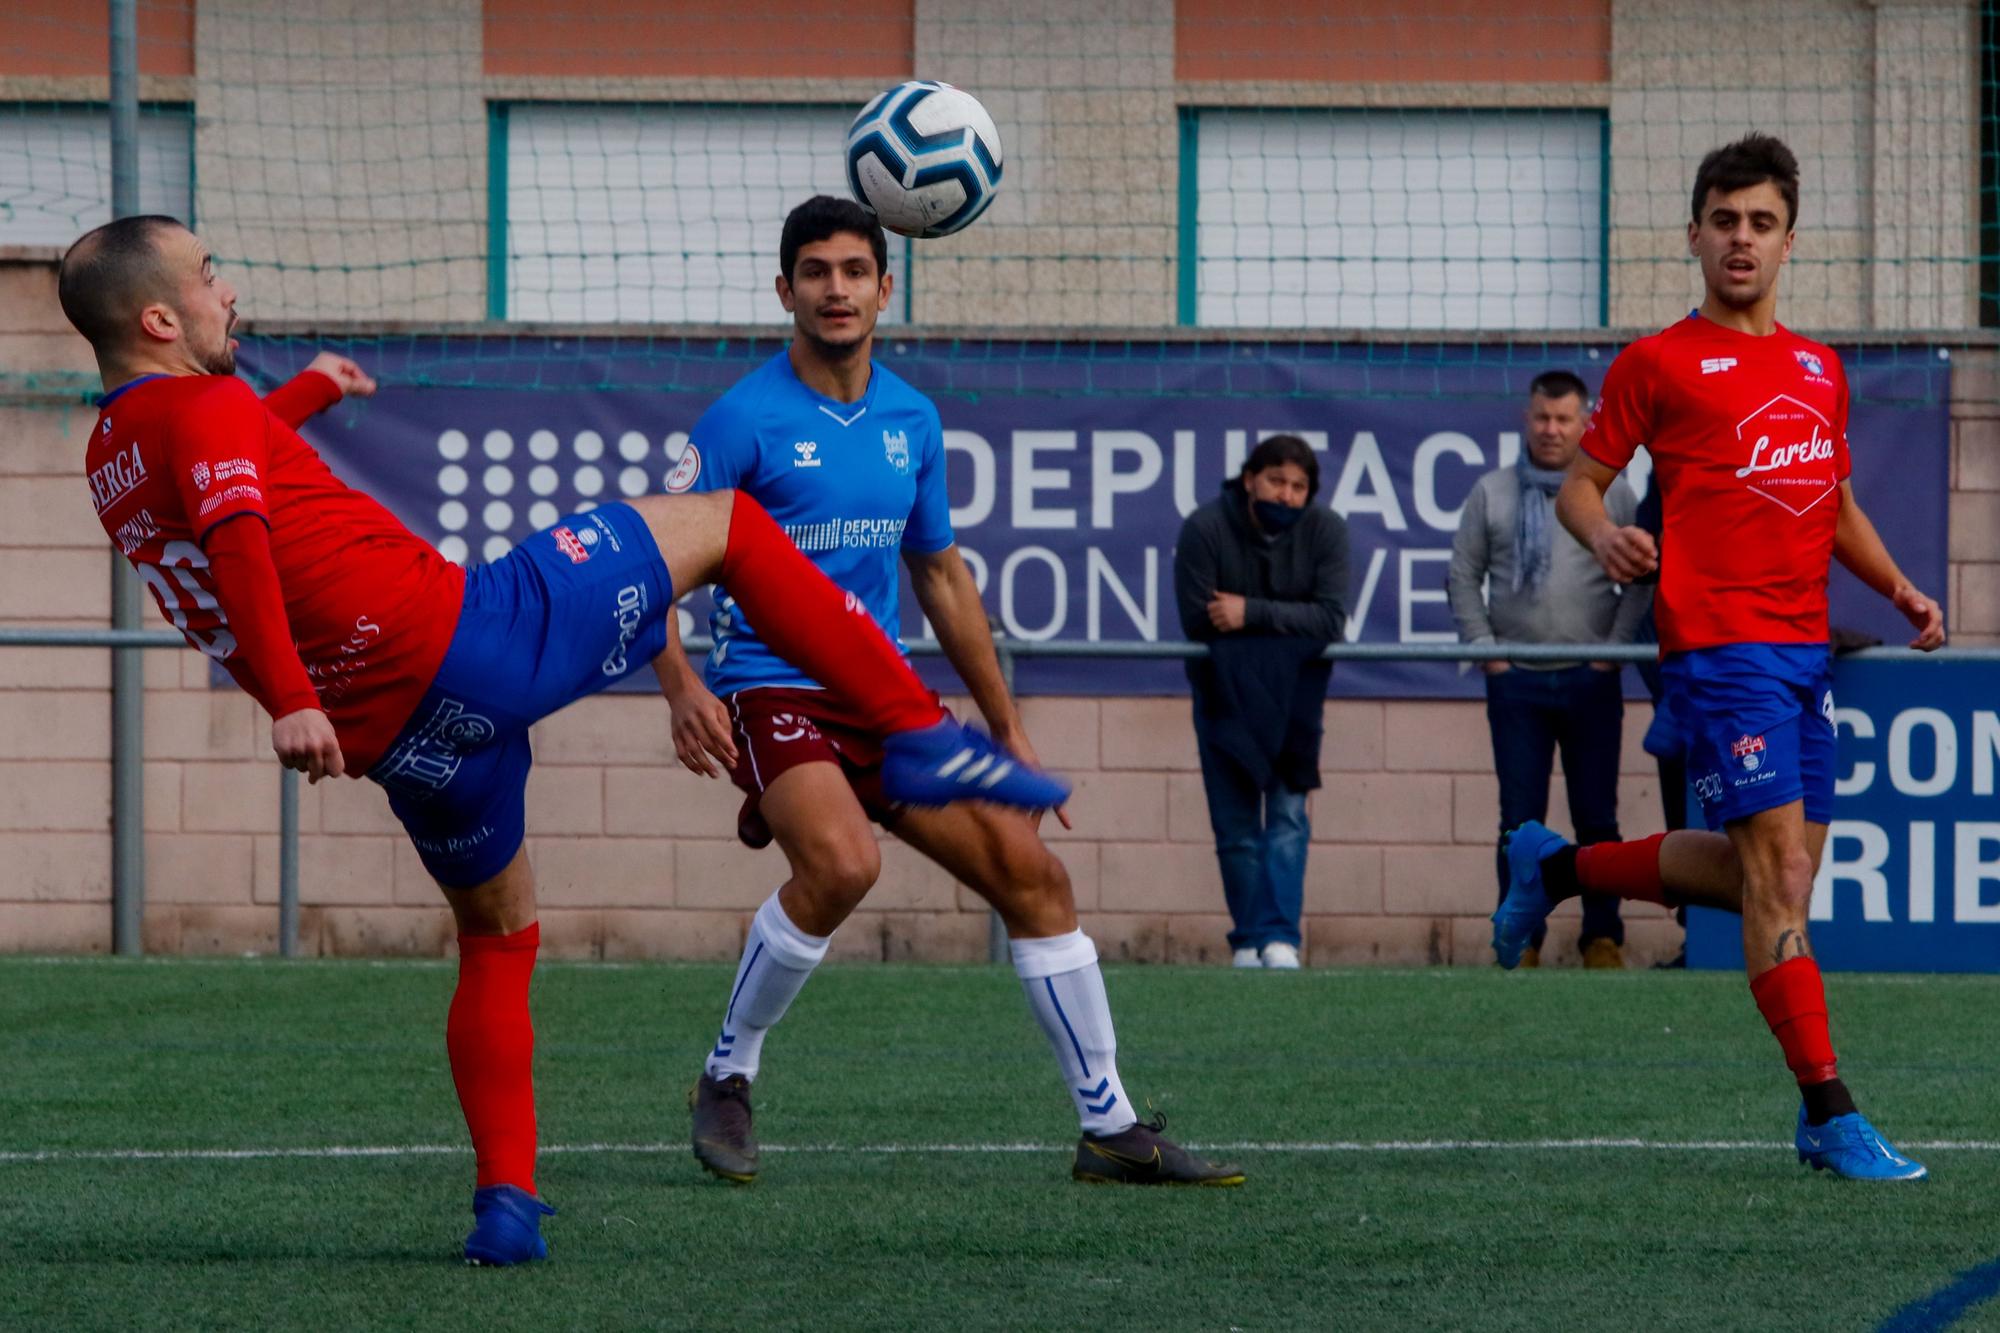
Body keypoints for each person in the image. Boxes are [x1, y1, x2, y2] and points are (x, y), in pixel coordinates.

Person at [59, 214, 1072, 1265]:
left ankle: (506, 1204)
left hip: (401, 737)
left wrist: (308, 395)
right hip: (463, 641)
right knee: (726, 522)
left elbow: (224, 469)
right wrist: (283, 699)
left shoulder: (113, 447)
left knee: (497, 935)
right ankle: (909, 734)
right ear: (162, 315)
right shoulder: (209, 403)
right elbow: (237, 534)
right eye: (212, 277)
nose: (231, 295)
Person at [658, 196, 1242, 1187]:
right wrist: (677, 682)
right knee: (843, 867)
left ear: (887, 288)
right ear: (783, 290)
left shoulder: (910, 419)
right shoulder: (738, 421)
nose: (835, 289)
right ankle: (727, 1073)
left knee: (1033, 874)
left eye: (853, 270)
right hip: (768, 686)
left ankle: (1109, 1126)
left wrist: (1005, 722)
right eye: (814, 271)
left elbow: (939, 574)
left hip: (878, 690)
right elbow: (649, 563)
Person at [1491, 135, 1946, 1180]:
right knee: (1777, 872)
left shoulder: (1816, 368)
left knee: (1770, 883)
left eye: (1760, 223)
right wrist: (1601, 532)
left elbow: (1829, 501)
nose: (1740, 240)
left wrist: (1896, 588)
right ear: (1693, 234)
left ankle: (1553, 864)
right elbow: (1578, 484)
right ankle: (1826, 1110)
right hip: (1716, 645)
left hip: (1800, 648)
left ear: (1788, 241)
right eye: (1723, 221)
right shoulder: (1657, 362)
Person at [1447, 370, 1651, 969]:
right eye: (1542, 417)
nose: (1552, 430)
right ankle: (1523, 940)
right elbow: (1463, 575)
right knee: (1518, 821)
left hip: (1592, 679)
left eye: (1565, 419)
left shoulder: (1611, 495)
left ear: (1587, 423)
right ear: (1526, 419)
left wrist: (1611, 650)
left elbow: (1640, 578)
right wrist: (1489, 652)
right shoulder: (1491, 492)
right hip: (1517, 683)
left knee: (1597, 816)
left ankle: (1602, 937)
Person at [1172, 435, 1348, 970]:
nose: (1287, 495)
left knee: (1289, 820)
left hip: (1297, 700)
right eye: (1276, 481)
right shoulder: (1204, 527)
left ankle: (1280, 940)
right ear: (1250, 479)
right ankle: (1250, 940)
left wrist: (1251, 613)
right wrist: (1289, 621)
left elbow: (1330, 620)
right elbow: (1198, 618)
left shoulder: (1327, 530)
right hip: (1223, 696)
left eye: (1299, 487)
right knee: (1236, 828)